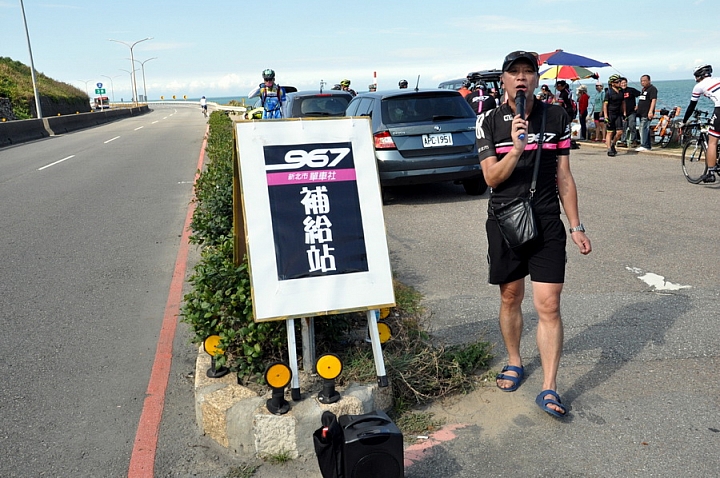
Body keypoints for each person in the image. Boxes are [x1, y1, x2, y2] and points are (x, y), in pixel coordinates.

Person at [476, 50, 592, 419]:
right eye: (515, 72)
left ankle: (549, 386)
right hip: (506, 219)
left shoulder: (556, 115)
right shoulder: (489, 121)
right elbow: (491, 178)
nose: (522, 78)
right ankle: (514, 360)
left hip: (546, 220)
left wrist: (576, 226)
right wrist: (518, 147)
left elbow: (564, 176)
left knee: (549, 305)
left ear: (537, 79)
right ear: (504, 81)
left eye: (529, 72)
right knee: (511, 296)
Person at [681, 64, 720, 182]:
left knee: (712, 141)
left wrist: (684, 121)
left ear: (698, 76)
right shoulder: (718, 79)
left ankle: (711, 172)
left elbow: (692, 106)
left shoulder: (699, 86)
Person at [603, 74, 626, 156]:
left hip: (618, 114)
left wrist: (624, 113)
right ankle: (609, 149)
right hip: (610, 114)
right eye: (617, 82)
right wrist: (605, 116)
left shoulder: (621, 91)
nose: (619, 83)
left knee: (620, 132)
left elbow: (623, 103)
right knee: (610, 132)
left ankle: (613, 144)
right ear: (612, 83)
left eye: (620, 81)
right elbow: (605, 105)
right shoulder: (608, 92)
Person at [635, 75, 658, 151]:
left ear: (649, 80)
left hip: (647, 112)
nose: (643, 82)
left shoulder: (652, 89)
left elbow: (653, 100)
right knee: (645, 129)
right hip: (641, 112)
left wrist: (651, 111)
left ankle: (644, 145)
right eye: (641, 81)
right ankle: (647, 145)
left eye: (644, 80)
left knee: (643, 128)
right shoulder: (643, 89)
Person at [619, 77, 641, 147]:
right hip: (622, 113)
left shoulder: (631, 90)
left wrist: (638, 105)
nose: (623, 84)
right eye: (622, 83)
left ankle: (634, 141)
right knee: (623, 127)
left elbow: (641, 95)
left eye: (624, 82)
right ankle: (623, 141)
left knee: (632, 126)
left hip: (631, 111)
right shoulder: (618, 92)